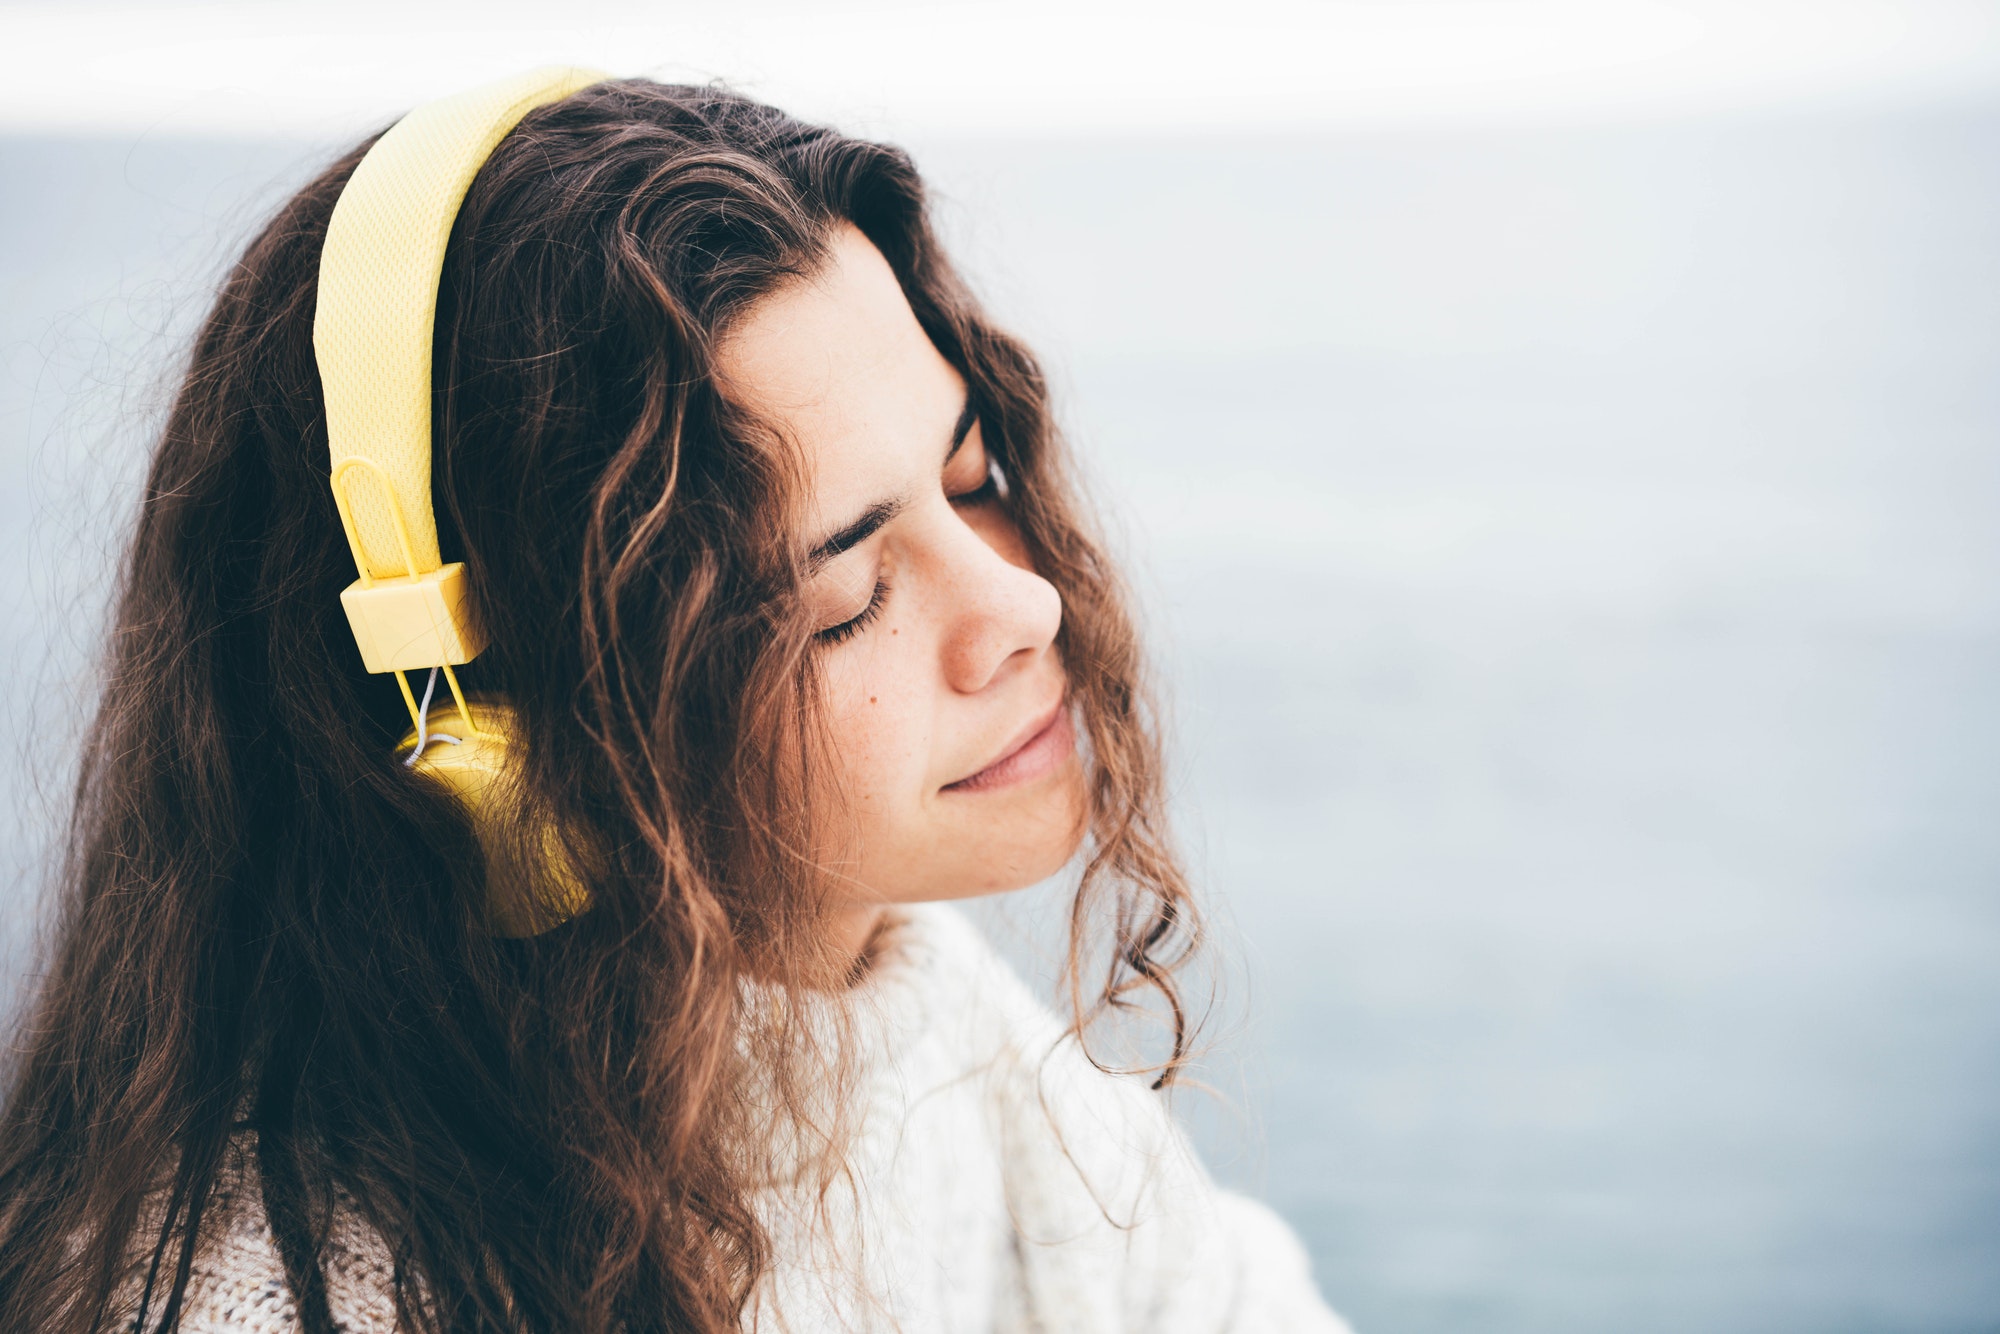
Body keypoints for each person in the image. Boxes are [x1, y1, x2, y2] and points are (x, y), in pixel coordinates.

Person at [0, 72, 1350, 1333]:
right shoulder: (282, 1295)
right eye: (843, 594)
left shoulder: (902, 997)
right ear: (494, 730)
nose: (1025, 608)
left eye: (975, 467)